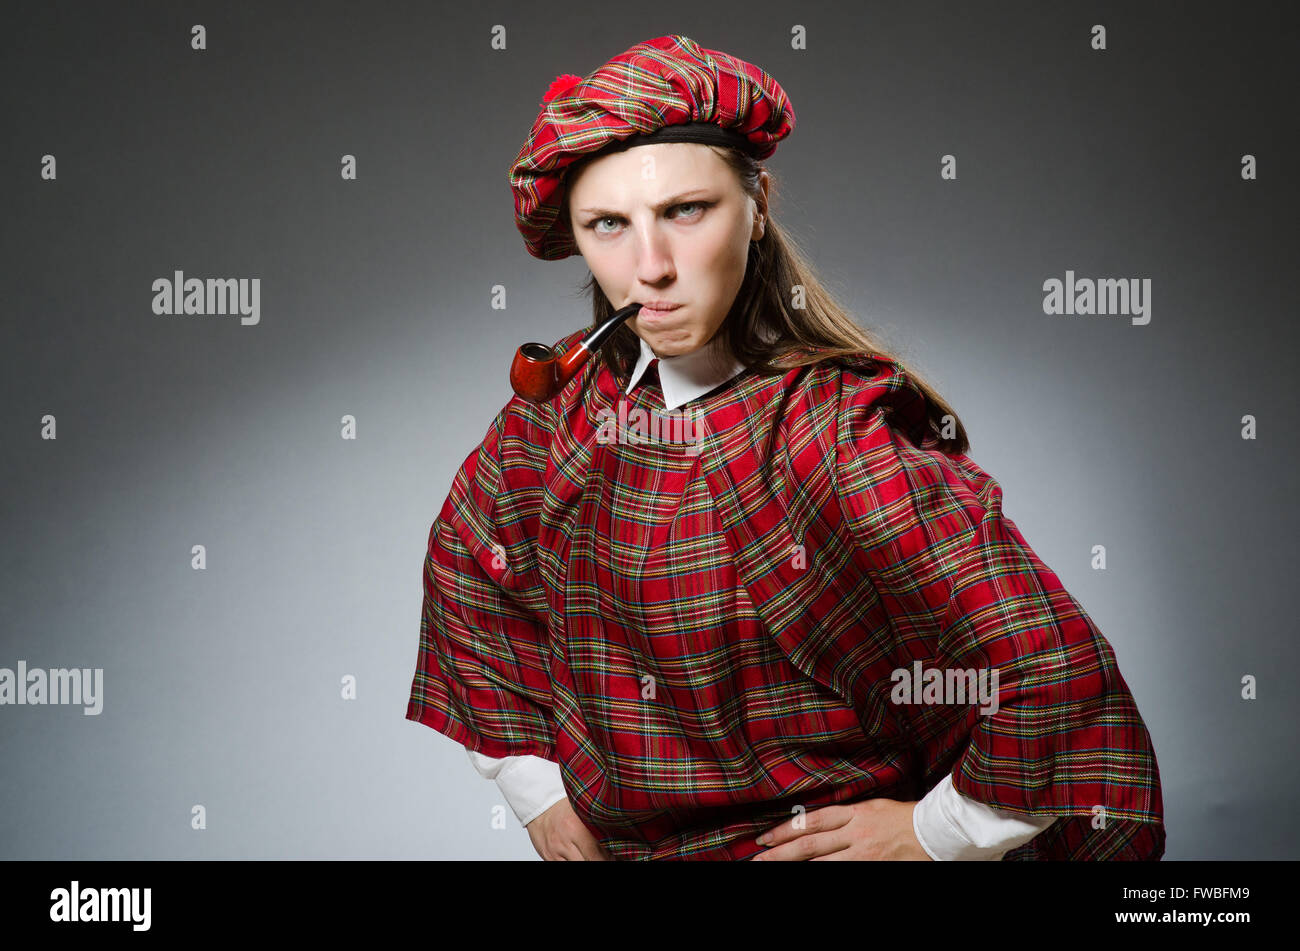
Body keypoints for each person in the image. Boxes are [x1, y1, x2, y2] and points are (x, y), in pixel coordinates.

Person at [405, 34, 1165, 861]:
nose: (649, 267)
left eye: (685, 211)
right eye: (609, 224)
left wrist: (934, 832)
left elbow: (1051, 668)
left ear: (757, 202)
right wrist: (538, 791)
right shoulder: (558, 416)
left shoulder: (835, 428)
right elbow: (467, 573)